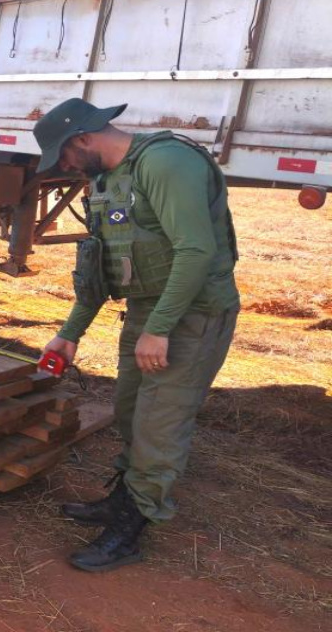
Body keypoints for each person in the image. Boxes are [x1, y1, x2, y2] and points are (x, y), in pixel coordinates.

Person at [33, 99, 240, 572]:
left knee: (158, 425)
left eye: (63, 156)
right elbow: (100, 263)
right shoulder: (105, 179)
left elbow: (196, 252)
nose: (64, 166)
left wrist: (160, 329)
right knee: (129, 410)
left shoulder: (166, 162)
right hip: (149, 311)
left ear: (84, 138)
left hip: (192, 315)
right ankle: (123, 500)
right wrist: (69, 334)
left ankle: (130, 531)